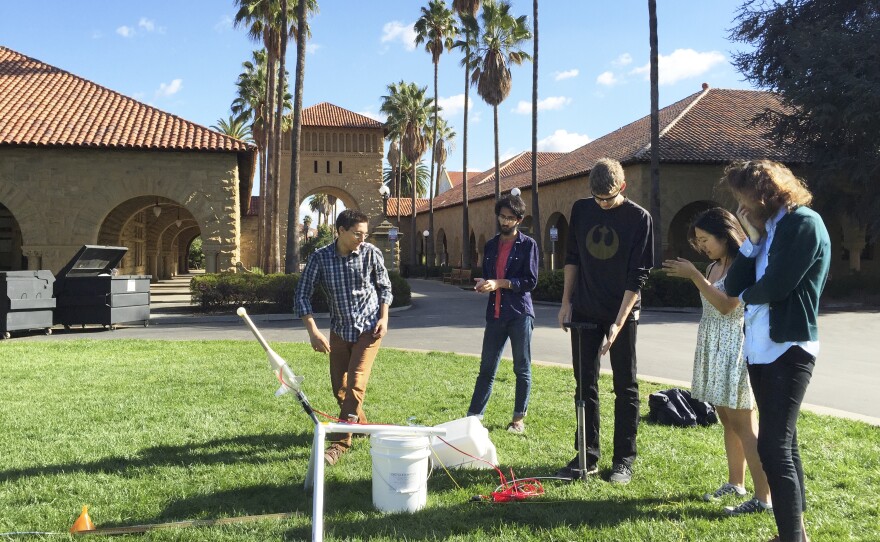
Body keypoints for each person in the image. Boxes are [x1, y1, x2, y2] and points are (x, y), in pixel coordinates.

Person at [723, 160, 830, 542]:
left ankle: (791, 538)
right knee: (786, 443)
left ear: (766, 194)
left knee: (772, 446)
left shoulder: (803, 224)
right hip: (761, 348)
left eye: (745, 198)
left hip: (790, 346)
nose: (742, 207)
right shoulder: (767, 231)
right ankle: (795, 532)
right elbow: (732, 282)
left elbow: (777, 286)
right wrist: (751, 240)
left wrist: (748, 298)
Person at [662, 207, 772, 516]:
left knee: (745, 425)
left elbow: (727, 306)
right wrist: (701, 274)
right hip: (712, 345)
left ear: (726, 235)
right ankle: (736, 483)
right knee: (726, 419)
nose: (701, 246)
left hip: (735, 347)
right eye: (698, 240)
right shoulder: (713, 267)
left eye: (706, 239)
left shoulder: (742, 266)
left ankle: (764, 499)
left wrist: (694, 276)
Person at [555, 157, 654, 484]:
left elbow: (636, 276)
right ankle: (587, 454)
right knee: (585, 386)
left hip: (622, 311)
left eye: (608, 199)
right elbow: (572, 258)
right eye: (597, 198)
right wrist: (566, 302)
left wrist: (619, 321)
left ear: (622, 187)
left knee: (625, 386)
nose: (602, 204)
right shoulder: (581, 210)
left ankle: (623, 459)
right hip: (584, 310)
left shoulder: (640, 218)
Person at [294, 209, 393, 466]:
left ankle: (340, 442)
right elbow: (302, 294)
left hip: (370, 328)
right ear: (341, 231)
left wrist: (384, 318)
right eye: (357, 234)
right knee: (339, 387)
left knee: (356, 383)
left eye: (365, 234)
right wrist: (313, 331)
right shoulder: (320, 258)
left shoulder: (371, 253)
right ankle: (362, 426)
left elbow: (385, 287)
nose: (363, 238)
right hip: (340, 330)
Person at [467, 192, 539, 433]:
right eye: (502, 216)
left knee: (522, 367)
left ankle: (518, 419)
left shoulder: (528, 245)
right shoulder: (490, 246)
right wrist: (484, 283)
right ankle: (473, 418)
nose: (505, 221)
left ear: (519, 219)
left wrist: (500, 283)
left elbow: (530, 281)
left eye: (510, 217)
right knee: (486, 368)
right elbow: (491, 277)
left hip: (519, 314)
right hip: (495, 314)